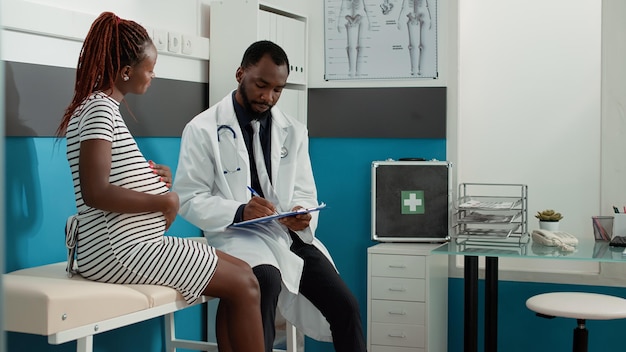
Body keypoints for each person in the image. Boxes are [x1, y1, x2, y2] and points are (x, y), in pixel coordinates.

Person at [56, 12, 264, 352]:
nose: (153, 76)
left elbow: (108, 176)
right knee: (245, 284)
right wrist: (164, 201)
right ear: (126, 71)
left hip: (130, 246)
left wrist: (150, 177)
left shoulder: (99, 108)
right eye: (149, 69)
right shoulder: (99, 110)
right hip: (120, 252)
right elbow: (95, 192)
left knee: (244, 273)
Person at [173, 40, 367, 352]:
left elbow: (304, 189)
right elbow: (188, 198)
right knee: (266, 279)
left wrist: (303, 214)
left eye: (278, 89)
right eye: (261, 85)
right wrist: (240, 211)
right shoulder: (202, 129)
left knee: (346, 306)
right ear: (240, 74)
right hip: (238, 235)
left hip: (287, 234)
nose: (268, 97)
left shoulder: (293, 130)